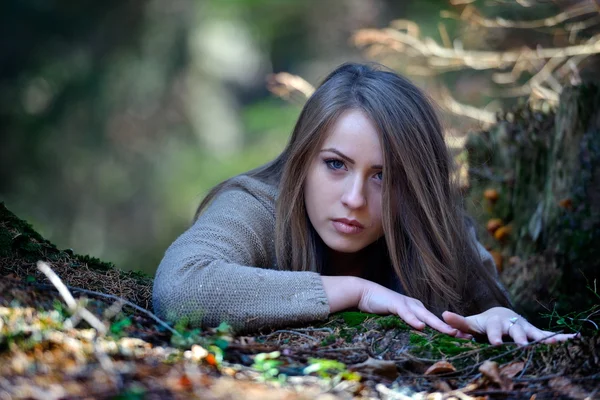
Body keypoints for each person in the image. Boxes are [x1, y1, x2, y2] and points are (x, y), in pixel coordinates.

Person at [153, 62, 574, 345]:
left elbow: (490, 311)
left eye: (383, 176)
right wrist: (354, 292)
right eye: (335, 164)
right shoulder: (257, 205)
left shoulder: (432, 229)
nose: (354, 199)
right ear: (303, 160)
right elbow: (179, 288)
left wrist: (495, 317)